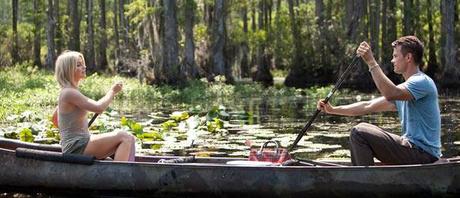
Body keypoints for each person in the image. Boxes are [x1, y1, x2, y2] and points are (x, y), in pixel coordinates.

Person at [317, 36, 441, 166]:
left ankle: (364, 180)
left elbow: (390, 93)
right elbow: (367, 106)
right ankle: (364, 175)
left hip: (424, 155)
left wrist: (371, 62)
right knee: (361, 129)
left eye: (395, 56)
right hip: (413, 150)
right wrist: (333, 110)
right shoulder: (404, 91)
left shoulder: (422, 82)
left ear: (408, 57)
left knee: (359, 132)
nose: (392, 60)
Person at [52, 51, 136, 161]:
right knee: (125, 137)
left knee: (128, 140)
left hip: (79, 144)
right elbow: (99, 107)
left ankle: (124, 170)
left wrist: (75, 130)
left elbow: (54, 118)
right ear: (68, 70)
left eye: (83, 64)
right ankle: (119, 175)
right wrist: (113, 91)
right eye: (78, 65)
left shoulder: (68, 92)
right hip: (76, 148)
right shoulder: (69, 92)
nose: (84, 67)